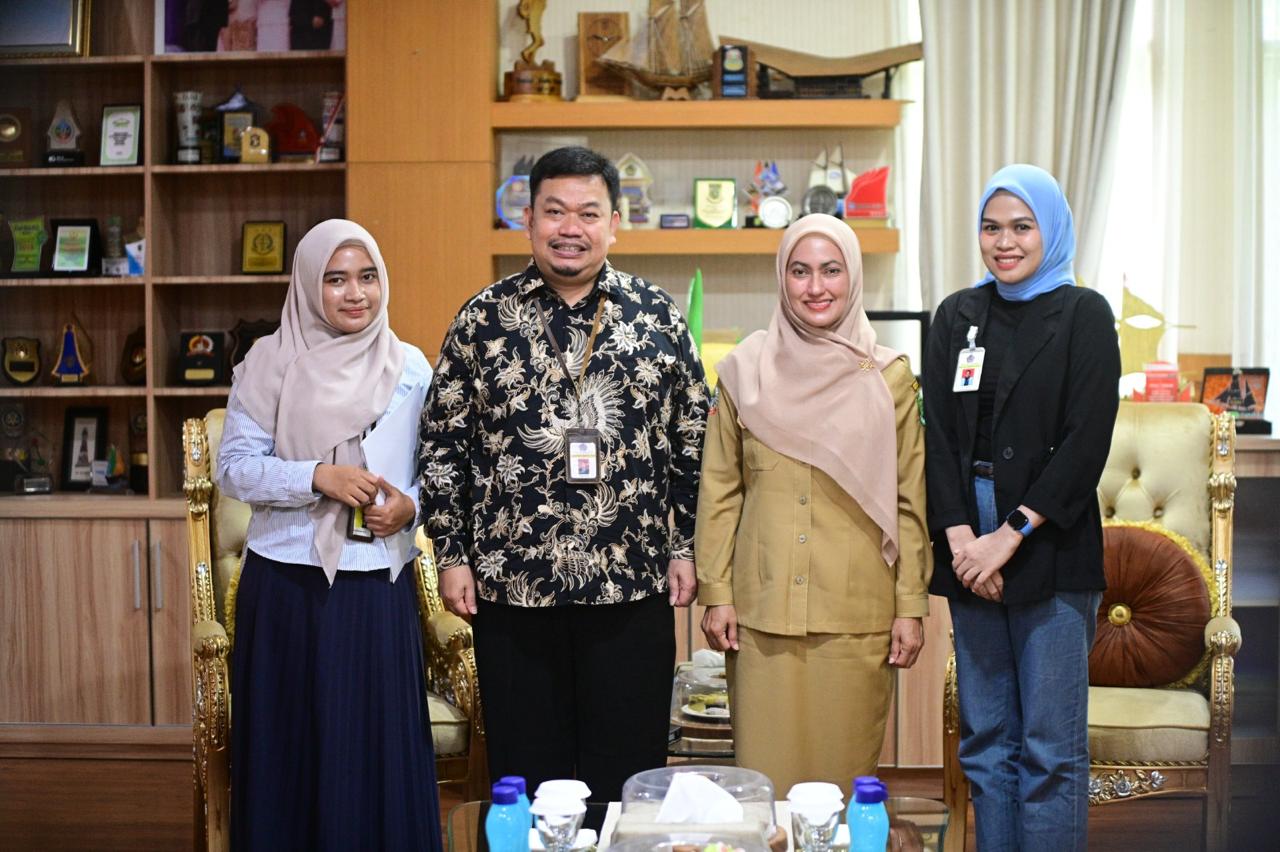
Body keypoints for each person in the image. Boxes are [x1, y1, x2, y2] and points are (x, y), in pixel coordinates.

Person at [418, 146, 709, 807]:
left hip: (632, 582)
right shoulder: (481, 319)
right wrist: (452, 554)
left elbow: (694, 443)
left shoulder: (657, 316)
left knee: (627, 778)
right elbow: (443, 444)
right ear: (528, 220)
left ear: (614, 224)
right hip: (512, 588)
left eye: (588, 212)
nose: (570, 228)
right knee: (527, 776)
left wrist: (686, 546)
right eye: (554, 211)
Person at [216, 219, 441, 852]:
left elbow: (440, 471)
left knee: (374, 748)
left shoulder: (409, 367)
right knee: (290, 748)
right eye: (335, 279)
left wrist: (410, 507)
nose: (355, 294)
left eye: (367, 277)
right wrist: (318, 477)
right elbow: (233, 469)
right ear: (308, 285)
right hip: (287, 586)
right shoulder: (268, 363)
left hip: (376, 588)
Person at [696, 214, 932, 794]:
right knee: (764, 792)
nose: (815, 287)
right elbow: (720, 492)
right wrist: (716, 593)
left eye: (831, 270)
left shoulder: (889, 378)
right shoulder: (744, 372)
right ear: (782, 278)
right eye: (800, 271)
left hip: (856, 619)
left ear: (853, 277)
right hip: (760, 619)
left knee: (841, 796)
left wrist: (910, 606)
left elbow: (909, 500)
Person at [923, 164, 1121, 852]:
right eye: (991, 227)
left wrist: (1005, 538)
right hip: (967, 534)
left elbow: (1085, 442)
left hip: (1047, 537)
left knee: (1049, 747)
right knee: (986, 741)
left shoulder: (1084, 314)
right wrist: (960, 540)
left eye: (1021, 227)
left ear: (1051, 230)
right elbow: (938, 436)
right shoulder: (956, 315)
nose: (1003, 242)